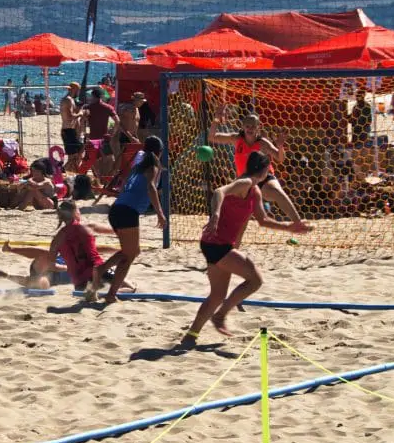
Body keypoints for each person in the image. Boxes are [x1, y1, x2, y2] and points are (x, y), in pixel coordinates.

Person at [180, 152, 312, 348]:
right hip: (216, 244)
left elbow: (263, 220)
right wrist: (215, 215)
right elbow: (218, 192)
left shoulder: (255, 191)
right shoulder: (245, 183)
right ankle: (220, 315)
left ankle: (191, 335)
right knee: (255, 279)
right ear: (266, 170)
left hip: (216, 244)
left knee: (217, 294)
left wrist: (289, 227)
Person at [209, 106, 303, 246]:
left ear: (259, 127)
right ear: (243, 127)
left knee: (277, 191)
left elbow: (280, 158)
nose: (250, 128)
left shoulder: (263, 143)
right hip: (246, 182)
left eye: (253, 126)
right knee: (242, 223)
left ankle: (298, 224)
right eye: (247, 126)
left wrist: (281, 146)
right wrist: (216, 119)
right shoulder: (237, 139)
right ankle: (232, 251)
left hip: (263, 178)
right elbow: (212, 137)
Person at [89, 136, 166, 303]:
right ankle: (108, 289)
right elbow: (151, 187)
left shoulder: (137, 166)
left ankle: (102, 271)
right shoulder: (152, 166)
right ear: (160, 152)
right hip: (127, 212)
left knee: (130, 252)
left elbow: (124, 186)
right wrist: (160, 212)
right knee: (130, 254)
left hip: (117, 209)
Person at [0, 200, 110, 291]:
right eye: (78, 210)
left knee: (40, 283)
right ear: (74, 213)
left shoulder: (75, 232)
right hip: (52, 266)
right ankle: (10, 252)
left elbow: (95, 249)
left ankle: (8, 276)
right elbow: (51, 261)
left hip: (55, 274)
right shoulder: (68, 233)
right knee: (45, 258)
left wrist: (116, 250)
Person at [60, 82, 84, 172]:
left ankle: (68, 171)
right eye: (78, 90)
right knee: (74, 157)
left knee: (79, 152)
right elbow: (70, 116)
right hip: (68, 131)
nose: (79, 92)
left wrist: (78, 110)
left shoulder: (68, 99)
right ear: (75, 90)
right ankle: (61, 171)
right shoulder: (68, 100)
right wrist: (80, 113)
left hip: (70, 130)